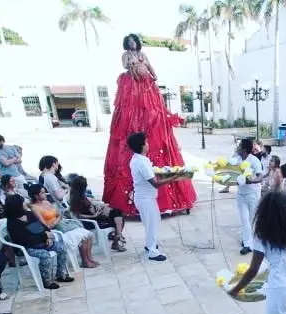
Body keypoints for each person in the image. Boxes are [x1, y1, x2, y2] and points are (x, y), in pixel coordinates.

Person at [102, 33, 197, 216]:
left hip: (146, 85)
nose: (132, 44)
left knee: (154, 116)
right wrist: (133, 64)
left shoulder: (143, 55)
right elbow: (125, 65)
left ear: (137, 43)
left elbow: (150, 66)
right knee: (132, 117)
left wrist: (152, 74)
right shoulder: (127, 57)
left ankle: (171, 200)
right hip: (133, 87)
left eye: (134, 41)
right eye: (129, 42)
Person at [4, 195, 72, 290]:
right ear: (17, 205)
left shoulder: (28, 214)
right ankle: (46, 281)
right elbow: (24, 239)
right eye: (23, 202)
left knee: (61, 248)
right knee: (45, 255)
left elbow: (40, 227)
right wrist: (44, 237)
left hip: (41, 242)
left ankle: (61, 274)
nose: (26, 203)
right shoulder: (12, 223)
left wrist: (47, 236)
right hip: (27, 247)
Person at [28, 184, 98, 268]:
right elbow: (45, 225)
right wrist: (55, 222)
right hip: (53, 229)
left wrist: (56, 221)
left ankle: (89, 258)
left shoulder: (46, 202)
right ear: (36, 195)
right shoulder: (34, 208)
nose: (45, 194)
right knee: (82, 236)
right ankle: (85, 261)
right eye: (42, 193)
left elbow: (59, 214)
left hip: (59, 224)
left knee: (88, 235)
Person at [127, 131, 169, 261]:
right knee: (152, 224)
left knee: (151, 222)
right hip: (145, 198)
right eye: (146, 142)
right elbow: (155, 183)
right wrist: (173, 178)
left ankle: (149, 244)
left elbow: (150, 175)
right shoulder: (141, 162)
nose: (148, 144)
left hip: (145, 197)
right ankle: (152, 251)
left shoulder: (139, 159)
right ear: (142, 146)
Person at [68, 174, 127, 252]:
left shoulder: (80, 195)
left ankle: (117, 238)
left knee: (117, 214)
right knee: (118, 216)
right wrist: (94, 215)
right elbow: (77, 216)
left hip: (95, 217)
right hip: (91, 222)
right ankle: (117, 238)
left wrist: (97, 208)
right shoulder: (76, 199)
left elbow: (88, 206)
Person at [236, 138, 265, 255]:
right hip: (241, 194)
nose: (237, 148)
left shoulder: (254, 161)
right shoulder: (237, 159)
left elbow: (260, 176)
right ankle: (247, 243)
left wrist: (251, 181)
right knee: (244, 220)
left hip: (253, 194)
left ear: (244, 149)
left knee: (252, 219)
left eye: (239, 146)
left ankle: (254, 241)